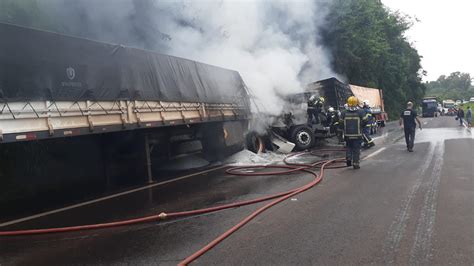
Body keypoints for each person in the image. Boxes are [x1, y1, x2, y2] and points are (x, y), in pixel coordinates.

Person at [341, 96, 367, 169]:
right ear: (356, 103)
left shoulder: (343, 112)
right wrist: (361, 126)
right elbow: (365, 121)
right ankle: (355, 163)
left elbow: (340, 123)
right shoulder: (361, 112)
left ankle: (349, 158)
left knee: (349, 147)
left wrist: (343, 129)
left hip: (347, 134)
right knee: (356, 149)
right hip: (357, 134)